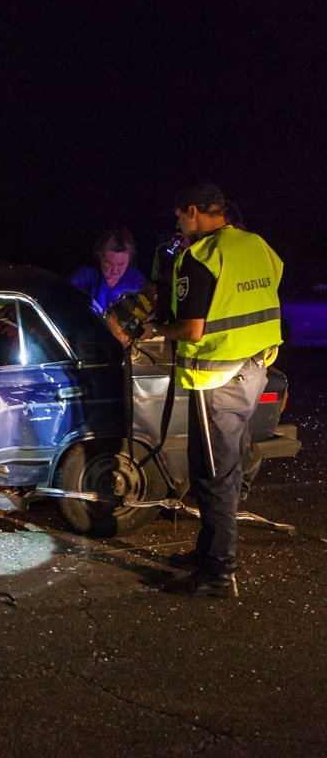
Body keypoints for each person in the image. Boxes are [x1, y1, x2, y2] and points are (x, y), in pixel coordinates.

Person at [145, 182, 283, 598]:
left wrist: (156, 329)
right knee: (227, 467)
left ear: (192, 211)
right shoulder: (257, 245)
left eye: (179, 216)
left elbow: (192, 329)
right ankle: (207, 553)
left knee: (213, 476)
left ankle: (219, 575)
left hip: (216, 380)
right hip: (253, 370)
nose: (178, 224)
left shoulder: (201, 256)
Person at [69, 228, 149, 314]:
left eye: (121, 264)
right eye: (109, 263)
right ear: (99, 256)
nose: (115, 271)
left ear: (129, 259)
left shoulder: (139, 283)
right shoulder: (85, 275)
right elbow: (65, 295)